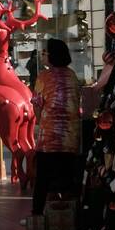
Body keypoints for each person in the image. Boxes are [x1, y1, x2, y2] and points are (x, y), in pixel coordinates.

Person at [31, 39, 81, 218]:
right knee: (67, 180)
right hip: (70, 138)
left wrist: (42, 121)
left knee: (42, 180)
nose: (42, 55)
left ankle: (37, 215)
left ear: (52, 55)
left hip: (49, 139)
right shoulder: (72, 76)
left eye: (44, 53)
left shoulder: (43, 77)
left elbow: (37, 105)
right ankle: (70, 218)